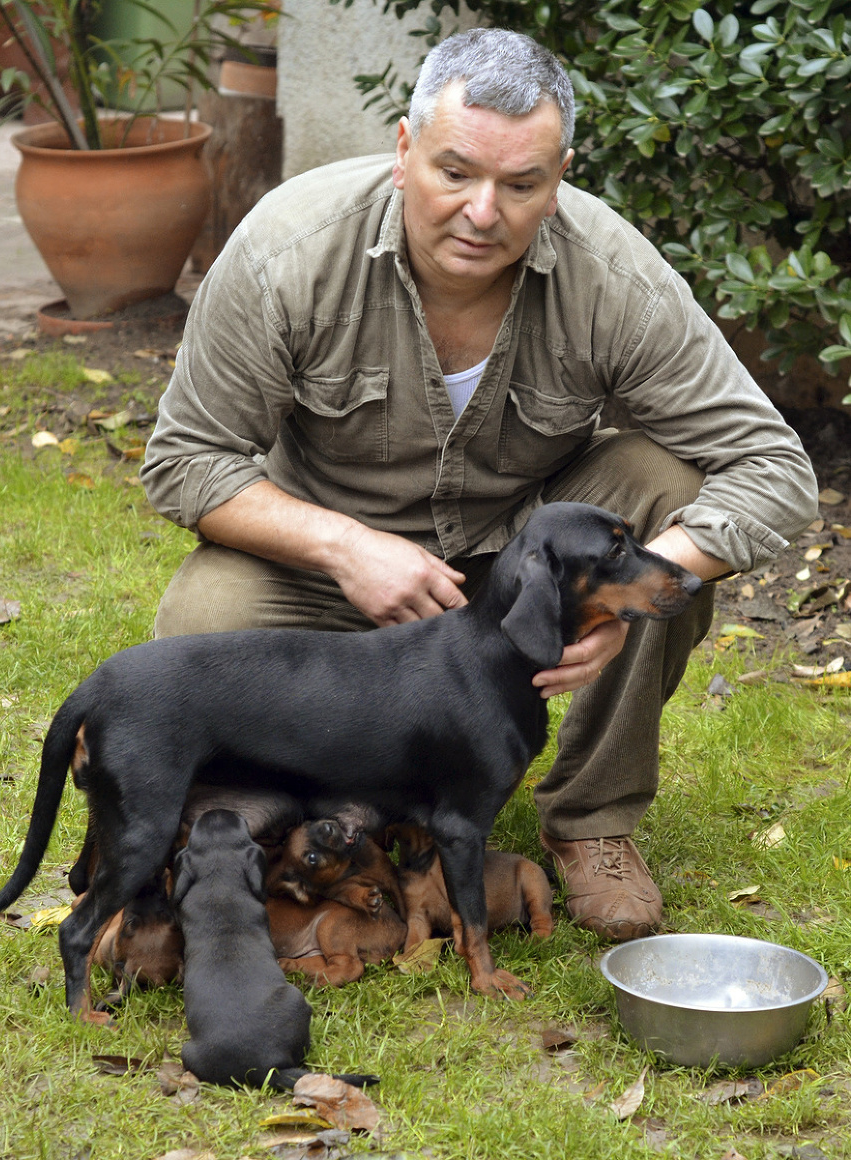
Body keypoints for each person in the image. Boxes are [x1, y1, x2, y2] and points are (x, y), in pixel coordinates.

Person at [141, 28, 818, 942]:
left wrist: (618, 602)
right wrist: (345, 546)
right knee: (202, 622)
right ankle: (278, 830)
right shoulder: (287, 252)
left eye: (521, 185)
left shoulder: (609, 275)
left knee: (666, 488)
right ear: (404, 149)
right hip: (328, 554)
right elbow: (185, 459)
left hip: (522, 554)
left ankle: (592, 821)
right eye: (455, 172)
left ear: (562, 177)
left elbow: (772, 468)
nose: (482, 211)